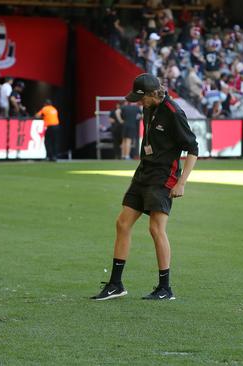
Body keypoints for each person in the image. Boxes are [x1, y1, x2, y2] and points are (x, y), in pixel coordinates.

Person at [91, 73, 198, 301]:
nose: (139, 103)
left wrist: (181, 182)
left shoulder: (174, 113)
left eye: (141, 98)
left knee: (156, 229)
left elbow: (193, 149)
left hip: (163, 176)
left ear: (152, 94)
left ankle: (165, 288)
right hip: (144, 171)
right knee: (122, 223)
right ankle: (116, 284)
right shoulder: (148, 107)